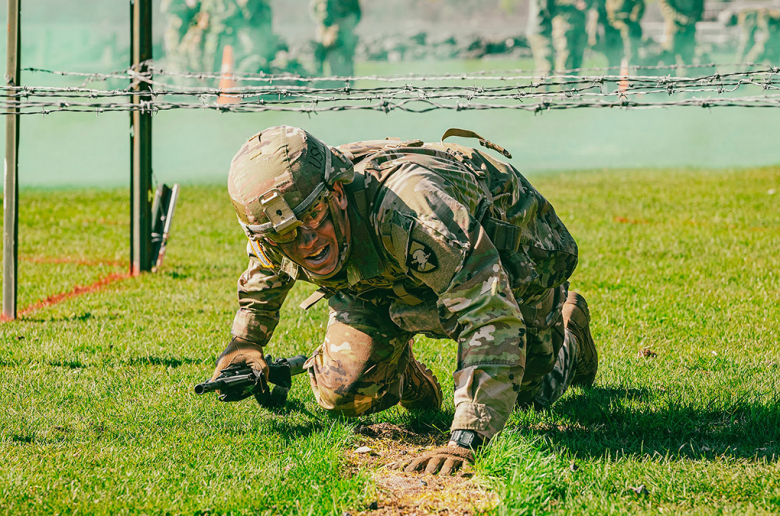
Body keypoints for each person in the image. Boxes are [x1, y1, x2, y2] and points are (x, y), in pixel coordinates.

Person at [210, 126, 598, 475]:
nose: (306, 241)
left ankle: (572, 332)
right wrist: (246, 342)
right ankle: (405, 373)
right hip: (385, 282)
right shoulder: (275, 226)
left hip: (504, 263)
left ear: (338, 194)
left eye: (314, 216)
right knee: (342, 392)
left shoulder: (414, 210)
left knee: (532, 391)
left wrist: (466, 438)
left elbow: (490, 313)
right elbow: (266, 267)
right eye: (285, 234)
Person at [527, 0, 597, 76]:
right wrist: (574, 2)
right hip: (550, 28)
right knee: (550, 66)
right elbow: (550, 6)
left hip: (575, 25)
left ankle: (570, 86)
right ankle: (561, 86)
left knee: (574, 61)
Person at [310, 0, 362, 76]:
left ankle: (348, 80)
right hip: (326, 30)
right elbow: (314, 9)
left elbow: (357, 12)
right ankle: (323, 78)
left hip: (344, 29)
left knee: (346, 57)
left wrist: (348, 24)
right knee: (326, 55)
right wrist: (323, 23)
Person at [597, 0, 645, 71]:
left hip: (627, 27)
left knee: (630, 57)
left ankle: (632, 79)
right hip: (610, 27)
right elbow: (600, 6)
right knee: (612, 58)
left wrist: (632, 20)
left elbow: (639, 4)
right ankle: (612, 80)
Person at [658, 0, 705, 68]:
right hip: (674, 28)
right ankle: (670, 78)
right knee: (669, 57)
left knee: (688, 58)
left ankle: (686, 78)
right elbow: (665, 5)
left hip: (690, 27)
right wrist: (680, 18)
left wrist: (694, 16)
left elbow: (699, 2)